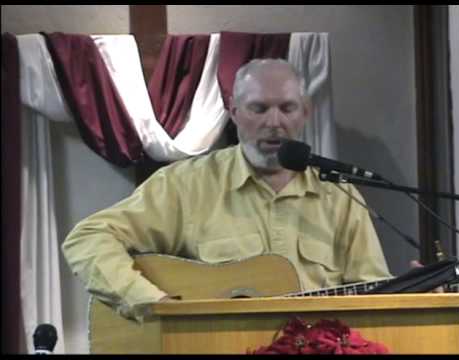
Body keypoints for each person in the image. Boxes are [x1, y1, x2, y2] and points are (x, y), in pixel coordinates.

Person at [62, 59, 391, 321]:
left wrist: (418, 291)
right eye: (259, 108)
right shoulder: (187, 185)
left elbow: (376, 295)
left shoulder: (339, 196)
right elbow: (88, 237)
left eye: (287, 108)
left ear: (305, 113)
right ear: (234, 113)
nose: (274, 122)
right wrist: (152, 303)